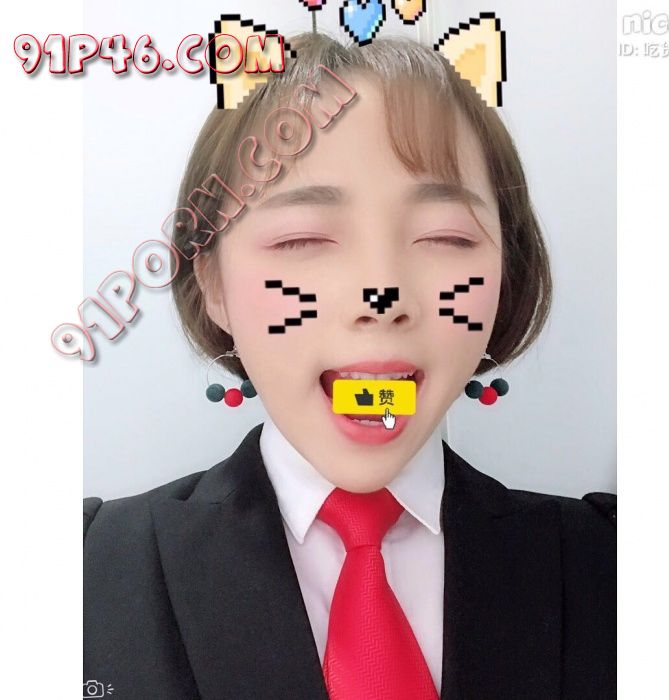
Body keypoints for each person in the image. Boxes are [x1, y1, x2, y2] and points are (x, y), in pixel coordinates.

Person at [84, 32, 616, 699]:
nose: (380, 296)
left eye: (446, 236)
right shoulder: (76, 570)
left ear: (505, 275)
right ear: (213, 282)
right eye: (302, 238)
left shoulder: (619, 567)